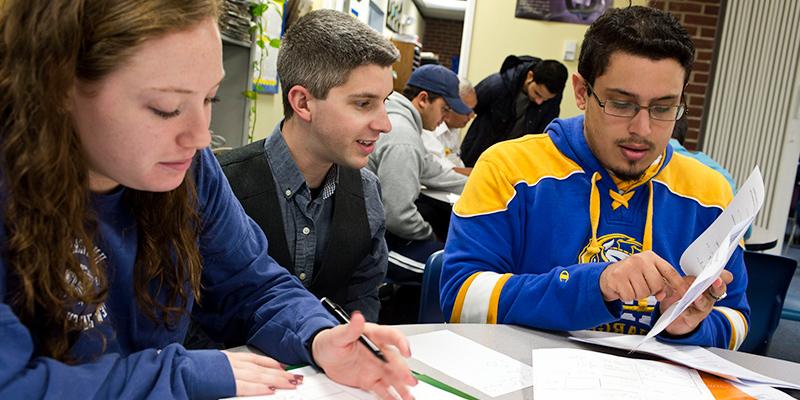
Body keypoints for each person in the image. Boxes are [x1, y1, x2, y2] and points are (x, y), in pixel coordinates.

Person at [0, 1, 417, 399]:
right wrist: (187, 373)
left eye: (209, 100)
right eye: (166, 108)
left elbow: (252, 282)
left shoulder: (191, 172)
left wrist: (319, 336)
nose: (200, 138)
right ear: (58, 87)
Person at [440, 6, 750, 350]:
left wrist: (691, 327)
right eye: (620, 103)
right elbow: (460, 298)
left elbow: (737, 318)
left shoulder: (711, 192)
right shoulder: (507, 168)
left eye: (663, 108)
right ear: (582, 92)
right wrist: (593, 286)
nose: (642, 130)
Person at [216, 10, 397, 323]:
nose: (385, 124)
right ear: (302, 103)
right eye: (363, 103)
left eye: (386, 102)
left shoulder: (367, 191)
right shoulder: (220, 185)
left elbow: (363, 297)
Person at [368, 64, 471, 267]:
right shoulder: (404, 138)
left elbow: (433, 171)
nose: (443, 120)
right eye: (444, 109)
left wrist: (478, 184)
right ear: (423, 99)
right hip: (372, 242)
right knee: (449, 265)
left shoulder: (400, 121)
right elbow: (398, 216)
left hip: (374, 224)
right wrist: (431, 236)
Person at [460, 56, 568, 167]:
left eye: (545, 100)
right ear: (530, 76)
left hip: (513, 163)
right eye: (537, 93)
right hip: (478, 156)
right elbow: (465, 109)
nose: (540, 102)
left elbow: (543, 136)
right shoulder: (497, 85)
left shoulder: (552, 100)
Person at [421, 77, 478, 174]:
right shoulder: (428, 129)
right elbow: (439, 171)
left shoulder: (454, 128)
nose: (472, 116)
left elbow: (456, 162)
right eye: (467, 111)